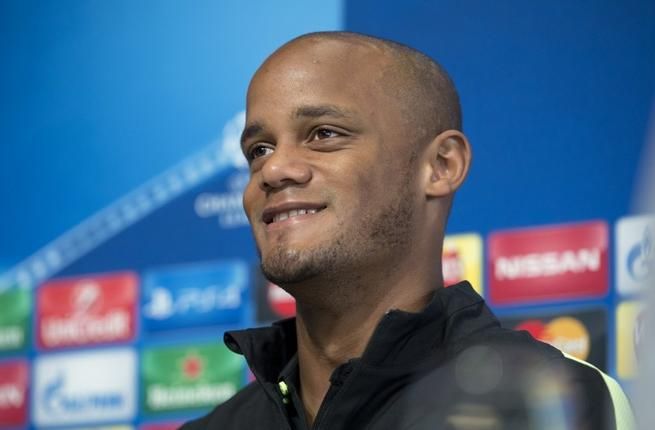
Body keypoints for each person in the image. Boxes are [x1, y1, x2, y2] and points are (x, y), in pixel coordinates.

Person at [183, 31, 634, 430]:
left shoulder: (556, 404)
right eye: (259, 149)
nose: (274, 169)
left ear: (441, 166)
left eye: (323, 134)